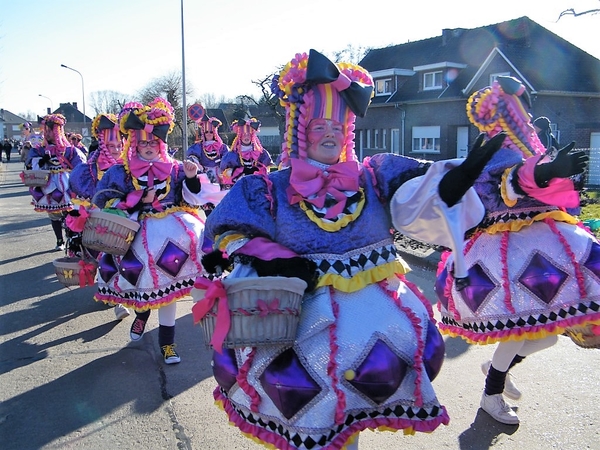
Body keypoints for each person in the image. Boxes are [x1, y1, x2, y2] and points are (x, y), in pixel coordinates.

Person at [199, 49, 505, 449]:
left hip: (375, 323)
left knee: (353, 411)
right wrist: (271, 257)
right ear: (299, 129)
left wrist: (449, 183)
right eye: (320, 125)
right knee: (308, 406)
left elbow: (413, 200)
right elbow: (227, 231)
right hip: (296, 318)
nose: (331, 134)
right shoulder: (268, 189)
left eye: (338, 127)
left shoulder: (374, 178)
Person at [436, 76, 598, 425]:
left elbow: (535, 177)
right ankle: (490, 394)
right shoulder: (492, 150)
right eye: (516, 108)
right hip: (508, 244)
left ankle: (498, 366)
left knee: (548, 339)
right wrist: (542, 173)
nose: (524, 114)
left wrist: (559, 175)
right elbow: (509, 186)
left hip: (545, 230)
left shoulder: (529, 145)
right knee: (520, 328)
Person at [92, 98, 206, 364]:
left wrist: (190, 178)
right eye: (143, 142)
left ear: (161, 143)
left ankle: (168, 344)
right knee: (139, 284)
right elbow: (103, 201)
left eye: (153, 142)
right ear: (134, 143)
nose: (148, 147)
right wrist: (136, 200)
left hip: (170, 238)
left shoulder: (176, 168)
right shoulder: (119, 172)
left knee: (167, 291)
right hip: (133, 235)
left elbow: (190, 202)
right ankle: (141, 316)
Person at [68, 113, 131, 320]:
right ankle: (115, 300)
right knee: (106, 258)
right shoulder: (88, 169)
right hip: (99, 221)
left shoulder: (129, 164)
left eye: (118, 142)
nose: (116, 147)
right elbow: (81, 196)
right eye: (110, 143)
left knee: (123, 259)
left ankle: (121, 294)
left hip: (124, 219)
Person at [25, 114, 87, 250]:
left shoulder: (70, 150)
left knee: (71, 214)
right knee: (54, 215)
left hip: (66, 185)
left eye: (54, 129)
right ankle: (59, 240)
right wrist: (41, 161)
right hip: (48, 185)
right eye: (48, 129)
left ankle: (72, 241)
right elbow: (30, 164)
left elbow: (81, 167)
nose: (50, 133)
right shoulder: (39, 149)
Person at [186, 115, 230, 215]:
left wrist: (222, 167)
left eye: (211, 132)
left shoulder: (222, 146)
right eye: (207, 132)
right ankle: (209, 214)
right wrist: (198, 166)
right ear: (203, 133)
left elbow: (227, 159)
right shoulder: (198, 146)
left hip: (219, 174)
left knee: (221, 197)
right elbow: (193, 157)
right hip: (206, 174)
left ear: (215, 132)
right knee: (207, 197)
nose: (209, 134)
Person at [220, 117, 273, 187]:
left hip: (256, 185)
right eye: (244, 134)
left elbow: (266, 170)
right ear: (240, 136)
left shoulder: (261, 152)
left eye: (248, 134)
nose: (246, 137)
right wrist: (239, 171)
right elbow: (225, 171)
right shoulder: (232, 154)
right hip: (239, 185)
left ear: (252, 136)